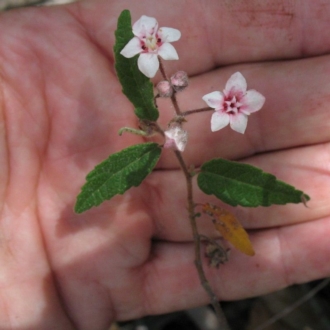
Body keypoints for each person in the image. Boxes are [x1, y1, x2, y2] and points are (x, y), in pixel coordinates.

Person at [1, 0, 330, 329]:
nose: (152, 41)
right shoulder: (156, 64)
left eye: (154, 40)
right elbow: (157, 93)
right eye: (148, 41)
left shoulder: (222, 108)